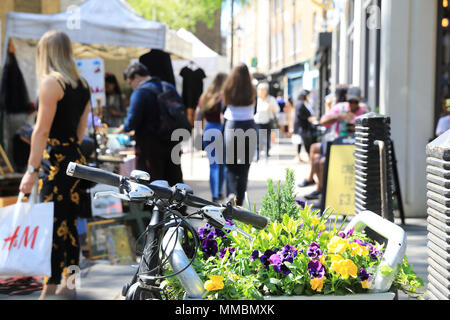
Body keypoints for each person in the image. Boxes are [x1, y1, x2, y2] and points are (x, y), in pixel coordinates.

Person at [19, 30, 91, 300]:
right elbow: (81, 130)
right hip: (74, 158)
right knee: (70, 223)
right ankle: (70, 282)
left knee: (51, 222)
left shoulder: (51, 83)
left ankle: (50, 286)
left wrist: (30, 170)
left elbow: (40, 131)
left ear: (45, 52)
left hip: (55, 161)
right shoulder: (81, 84)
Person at [115, 62, 183, 186]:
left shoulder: (140, 92)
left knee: (153, 183)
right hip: (173, 140)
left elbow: (132, 122)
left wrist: (123, 128)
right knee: (174, 178)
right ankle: (177, 205)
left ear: (136, 76)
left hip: (151, 146)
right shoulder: (168, 86)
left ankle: (154, 206)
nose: (131, 87)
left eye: (130, 83)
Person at [303, 86, 368, 201]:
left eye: (355, 102)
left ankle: (323, 194)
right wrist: (338, 116)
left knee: (322, 161)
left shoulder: (363, 111)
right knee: (315, 154)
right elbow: (323, 121)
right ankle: (320, 189)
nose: (353, 104)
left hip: (353, 149)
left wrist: (356, 127)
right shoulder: (340, 108)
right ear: (347, 98)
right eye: (350, 101)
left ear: (360, 100)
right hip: (338, 145)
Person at [222, 63, 257, 206]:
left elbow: (223, 107)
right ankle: (239, 203)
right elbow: (255, 110)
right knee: (244, 168)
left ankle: (231, 193)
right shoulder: (253, 89)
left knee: (230, 166)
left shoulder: (227, 88)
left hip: (232, 124)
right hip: (248, 125)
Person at [195, 73, 228, 202]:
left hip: (208, 130)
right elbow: (223, 117)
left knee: (213, 164)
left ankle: (214, 193)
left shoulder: (205, 97)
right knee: (222, 164)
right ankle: (219, 191)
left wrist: (198, 132)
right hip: (220, 130)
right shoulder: (223, 97)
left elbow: (198, 114)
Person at [254, 82, 279, 161]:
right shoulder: (255, 99)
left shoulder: (271, 99)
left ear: (266, 91)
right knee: (257, 139)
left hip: (267, 121)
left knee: (267, 138)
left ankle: (266, 152)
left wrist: (270, 107)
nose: (260, 91)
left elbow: (277, 110)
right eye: (259, 90)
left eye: (262, 90)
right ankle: (257, 155)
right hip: (257, 121)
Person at [294, 89, 317, 167]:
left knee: (302, 143)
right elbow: (300, 115)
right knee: (305, 142)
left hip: (303, 127)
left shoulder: (303, 103)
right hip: (302, 127)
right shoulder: (300, 104)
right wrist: (309, 118)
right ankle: (308, 157)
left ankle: (305, 157)